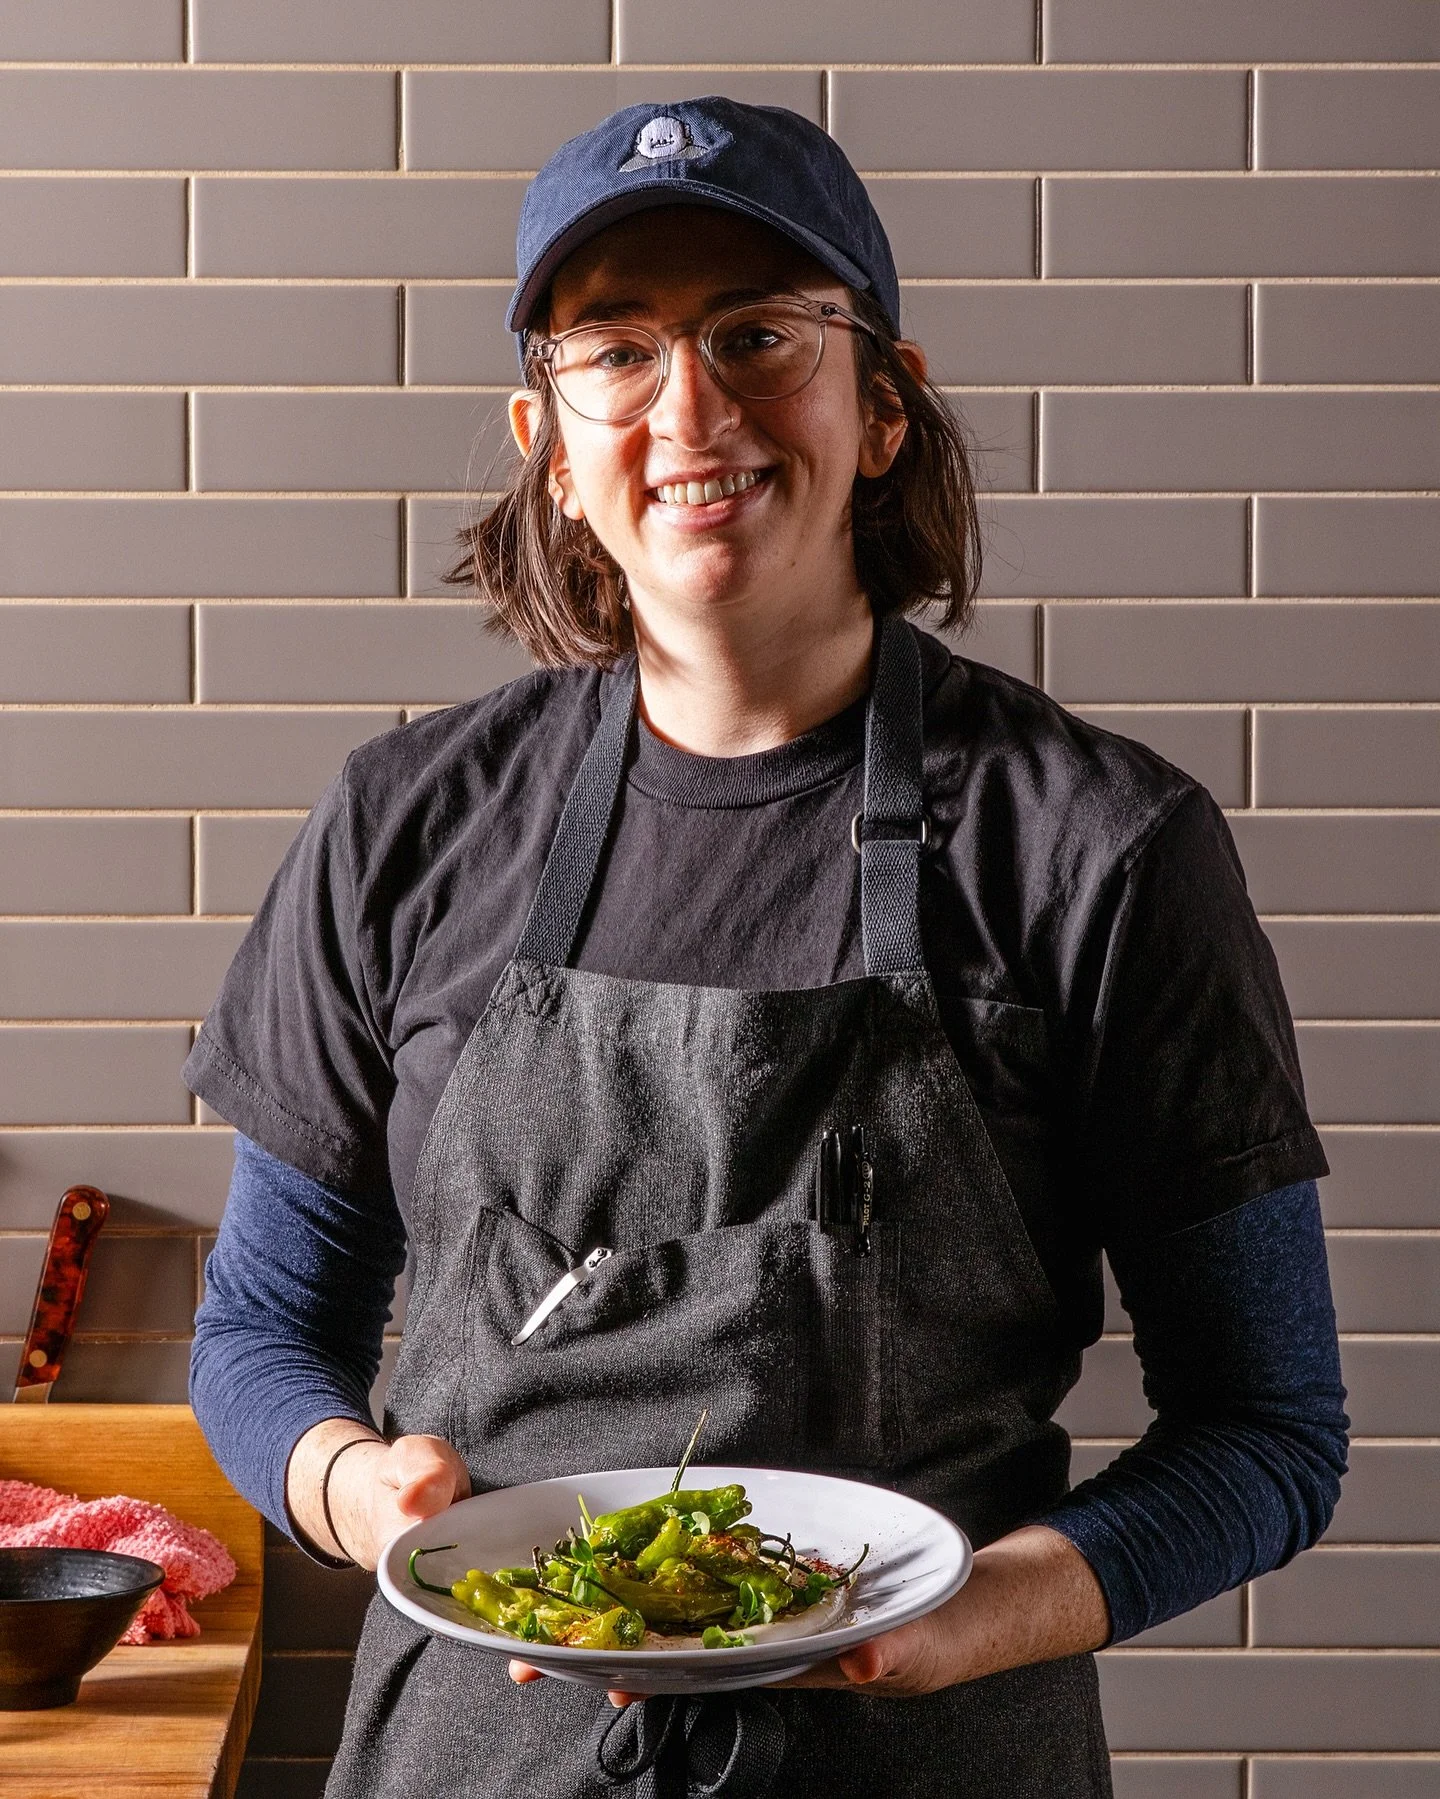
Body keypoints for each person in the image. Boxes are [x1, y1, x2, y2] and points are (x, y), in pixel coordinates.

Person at [187, 98, 1347, 1798]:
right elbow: (254, 1334)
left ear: (882, 403)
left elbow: (1272, 1433)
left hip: (927, 1756)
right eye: (619, 351)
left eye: (759, 336)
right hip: (473, 1757)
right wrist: (361, 1489)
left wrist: (976, 1609)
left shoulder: (1101, 847)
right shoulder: (403, 823)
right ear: (548, 441)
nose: (693, 408)